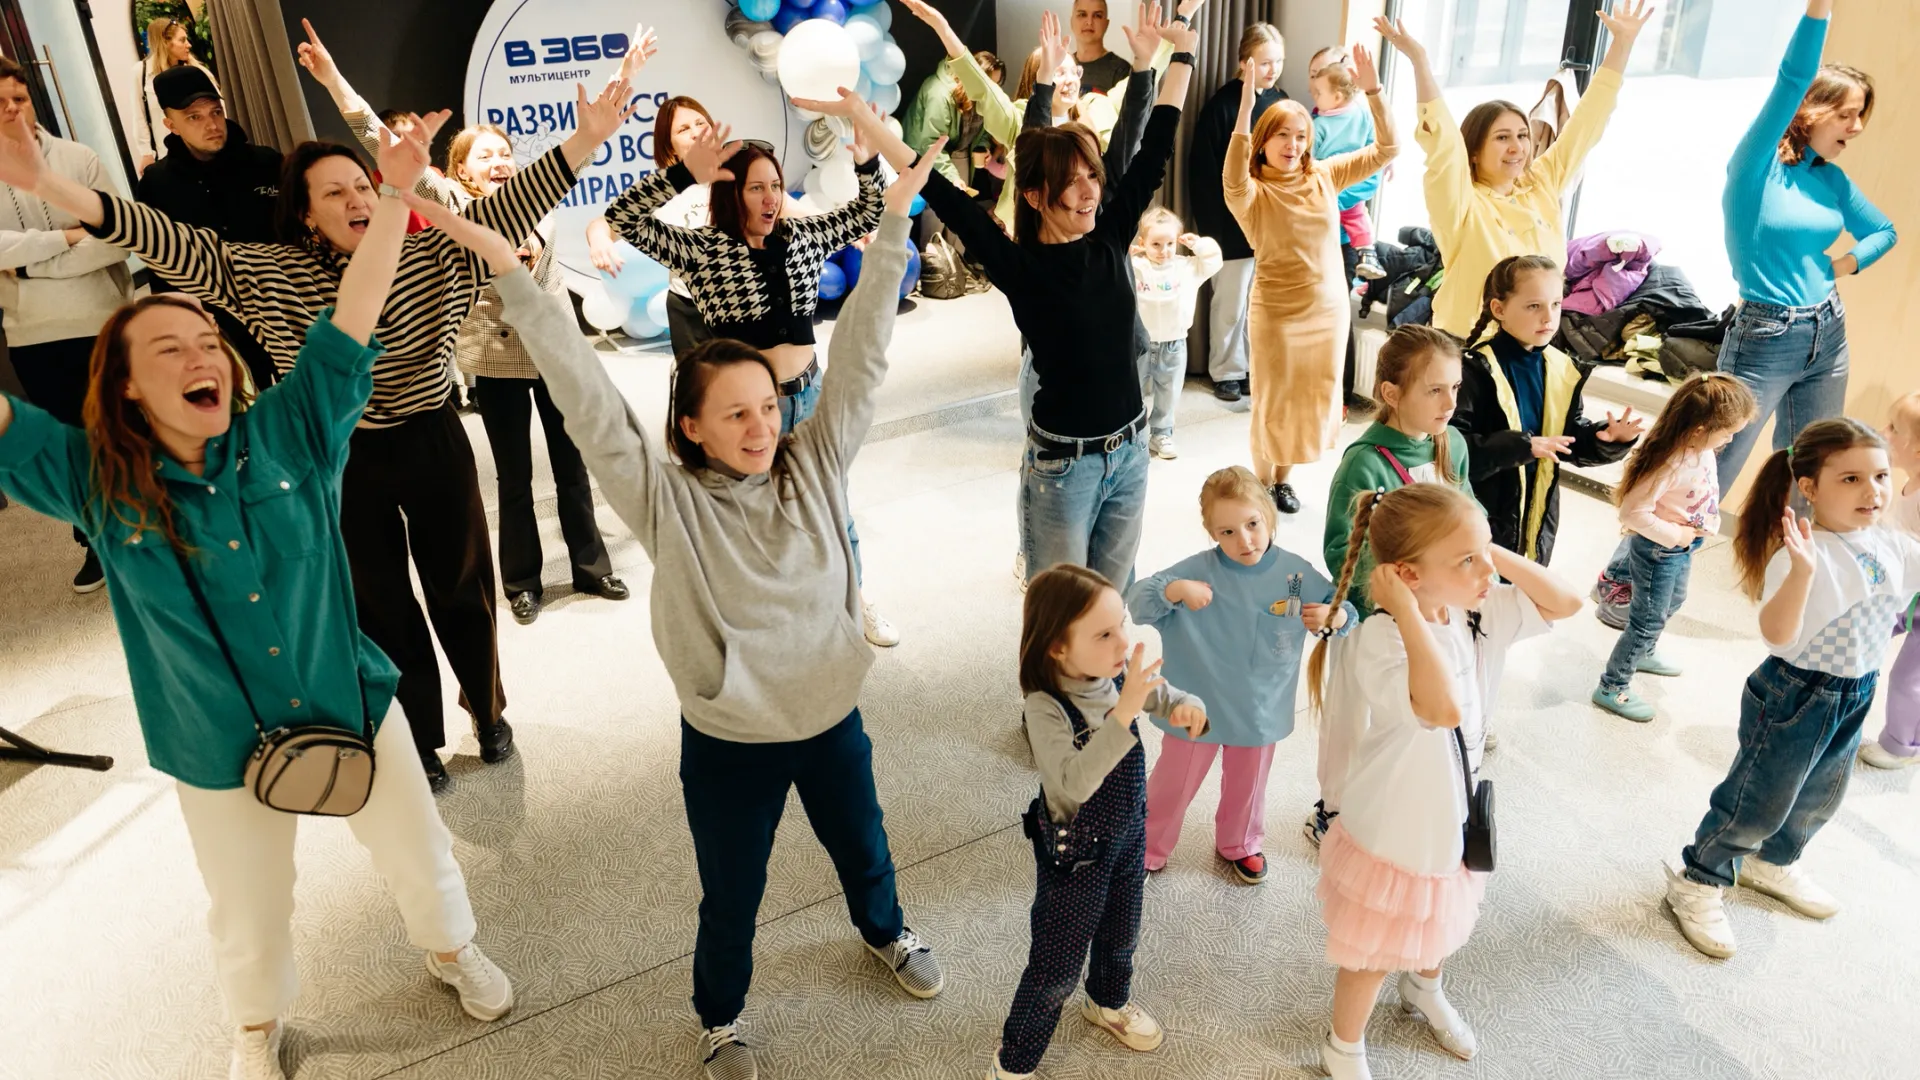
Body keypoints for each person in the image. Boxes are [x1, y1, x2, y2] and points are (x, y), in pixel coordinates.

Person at [403, 140, 949, 1080]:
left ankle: (886, 932)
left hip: (829, 714)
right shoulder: (668, 498)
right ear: (688, 426)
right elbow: (585, 402)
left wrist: (894, 220)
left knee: (864, 841)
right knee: (731, 892)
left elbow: (860, 356)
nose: (761, 426)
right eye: (734, 413)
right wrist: (519, 283)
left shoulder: (813, 463)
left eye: (768, 406)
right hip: (731, 733)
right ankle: (720, 1017)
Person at [0, 112, 515, 1080]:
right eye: (169, 350)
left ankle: (451, 948)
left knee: (419, 846)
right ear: (122, 391)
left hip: (351, 700)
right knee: (244, 901)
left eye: (206, 342)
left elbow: (352, 314)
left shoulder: (290, 432)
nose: (201, 357)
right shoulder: (89, 477)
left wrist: (397, 192)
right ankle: (255, 1021)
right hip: (209, 741)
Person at [10, 25, 642, 793]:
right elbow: (162, 237)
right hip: (335, 453)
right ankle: (421, 736)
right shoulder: (264, 271)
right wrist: (47, 184)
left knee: (463, 587)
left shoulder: (431, 250)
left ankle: (488, 705)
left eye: (364, 187)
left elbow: (508, 211)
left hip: (432, 432)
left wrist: (586, 140)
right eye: (334, 192)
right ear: (304, 215)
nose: (355, 199)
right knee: (378, 601)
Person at [830, 5, 1199, 591]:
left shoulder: (1108, 238)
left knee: (1116, 597)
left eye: (1093, 177)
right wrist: (861, 116)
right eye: (1072, 181)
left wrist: (1180, 51)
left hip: (1130, 453)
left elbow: (1155, 145)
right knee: (1060, 611)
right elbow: (937, 188)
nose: (1088, 192)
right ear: (1033, 196)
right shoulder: (1021, 267)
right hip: (1063, 467)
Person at [301, 21, 640, 626]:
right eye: (485, 155)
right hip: (496, 358)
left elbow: (580, 146)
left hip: (557, 353)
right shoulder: (452, 206)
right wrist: (332, 80)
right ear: (459, 172)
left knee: (573, 462)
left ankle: (593, 566)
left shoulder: (536, 205)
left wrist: (625, 76)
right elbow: (377, 136)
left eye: (506, 153)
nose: (501, 162)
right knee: (514, 474)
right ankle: (522, 581)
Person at [1593, 0, 1894, 623]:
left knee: (1811, 466)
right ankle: (1623, 579)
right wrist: (1819, 11)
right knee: (1705, 470)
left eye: (1863, 115)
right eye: (1847, 112)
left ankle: (1799, 579)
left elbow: (1884, 231)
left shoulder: (1830, 180)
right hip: (1765, 334)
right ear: (1808, 111)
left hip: (1827, 331)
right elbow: (1790, 78)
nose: (1858, 125)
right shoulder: (1756, 169)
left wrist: (1845, 265)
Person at [601, 94, 904, 648]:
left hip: (809, 398)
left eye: (774, 186)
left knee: (832, 505)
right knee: (755, 514)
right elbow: (622, 218)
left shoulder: (803, 236)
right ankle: (773, 615)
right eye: (755, 187)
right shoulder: (704, 251)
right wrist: (679, 175)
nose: (770, 198)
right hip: (748, 413)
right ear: (731, 193)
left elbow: (867, 212)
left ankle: (853, 599)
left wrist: (864, 165)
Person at [1309, 483, 1582, 1080]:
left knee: (1441, 913)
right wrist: (1406, 608)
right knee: (1374, 945)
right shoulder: (1380, 638)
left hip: (1452, 812)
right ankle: (1343, 1044)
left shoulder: (1473, 608)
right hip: (1397, 822)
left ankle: (1425, 988)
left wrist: (1485, 552)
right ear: (1407, 573)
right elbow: (1441, 709)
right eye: (1466, 561)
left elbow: (1566, 602)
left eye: (1483, 554)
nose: (1484, 571)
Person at [1665, 419, 1920, 960]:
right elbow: (1778, 638)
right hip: (1796, 694)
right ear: (1809, 487)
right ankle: (1700, 879)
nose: (1871, 491)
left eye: (1879, 476)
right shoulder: (1804, 555)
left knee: (1819, 797)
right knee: (1758, 800)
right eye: (1849, 479)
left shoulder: (1891, 543)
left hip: (1856, 692)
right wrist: (1802, 576)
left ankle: (1773, 863)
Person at [997, 563, 1208, 1079]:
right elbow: (1070, 784)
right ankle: (1015, 1061)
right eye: (1105, 633)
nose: (1123, 642)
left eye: (1123, 625)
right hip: (1076, 852)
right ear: (1057, 648)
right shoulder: (1046, 708)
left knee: (1121, 929)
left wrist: (1184, 704)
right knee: (1055, 965)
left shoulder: (1114, 675)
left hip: (1127, 830)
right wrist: (1124, 711)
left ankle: (1107, 1001)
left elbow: (1158, 693)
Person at [1127, 467, 1350, 882]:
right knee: (1172, 784)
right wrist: (1174, 592)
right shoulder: (1196, 570)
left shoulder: (1296, 575)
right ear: (1211, 532)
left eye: (1252, 524)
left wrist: (1335, 616)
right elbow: (1137, 602)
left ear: (1270, 516)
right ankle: (1147, 845)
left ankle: (1241, 843)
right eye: (1227, 532)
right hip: (1196, 705)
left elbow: (1342, 608)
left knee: (1248, 786)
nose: (1244, 540)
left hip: (1258, 707)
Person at [1310, 324, 1473, 847]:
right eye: (1434, 389)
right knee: (1351, 716)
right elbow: (1342, 548)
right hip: (1373, 620)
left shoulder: (1453, 446)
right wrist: (1390, 598)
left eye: (1455, 388)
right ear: (1391, 393)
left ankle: (1379, 803)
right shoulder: (1365, 462)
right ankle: (1331, 807)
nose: (1449, 402)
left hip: (1435, 620)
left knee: (1407, 724)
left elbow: (1470, 518)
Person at [1224, 35, 1402, 515]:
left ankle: (1283, 480)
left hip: (1326, 312)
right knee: (1272, 405)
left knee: (1307, 404)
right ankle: (1262, 483)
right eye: (1282, 135)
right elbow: (1233, 176)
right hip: (1278, 315)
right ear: (1264, 141)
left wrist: (1375, 91)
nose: (1293, 144)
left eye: (1301, 136)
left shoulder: (1323, 176)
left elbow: (1388, 147)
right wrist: (1245, 108)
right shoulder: (1252, 194)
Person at [1412, 1, 1653, 337]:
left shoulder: (1539, 186)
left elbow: (1586, 124)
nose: (1517, 148)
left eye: (1523, 136)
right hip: (1466, 348)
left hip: (1533, 347)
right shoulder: (1462, 204)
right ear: (1475, 152)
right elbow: (1443, 147)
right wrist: (1420, 63)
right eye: (1502, 138)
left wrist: (1621, 46)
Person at [0, 56, 133, 593]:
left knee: (129, 434)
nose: (12, 109)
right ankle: (99, 543)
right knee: (71, 447)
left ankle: (161, 534)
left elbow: (119, 236)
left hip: (104, 319)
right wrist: (69, 238)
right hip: (34, 333)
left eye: (19, 97)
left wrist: (28, 263)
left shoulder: (78, 158)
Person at [1452, 254, 1643, 565]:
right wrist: (1522, 447)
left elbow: (1566, 441)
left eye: (1556, 304)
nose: (1548, 318)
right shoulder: (1473, 369)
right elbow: (1452, 450)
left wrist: (1604, 439)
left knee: (1522, 595)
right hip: (1479, 515)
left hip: (1536, 521)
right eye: (1534, 306)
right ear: (1498, 309)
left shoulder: (1561, 367)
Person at [1589, 374, 1757, 723]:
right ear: (1699, 428)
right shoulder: (1672, 461)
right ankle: (1612, 685)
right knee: (1646, 620)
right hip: (1659, 551)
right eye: (1727, 432)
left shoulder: (1703, 450)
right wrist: (1675, 536)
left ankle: (1645, 650)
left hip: (1680, 547)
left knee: (1674, 601)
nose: (1730, 439)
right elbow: (1632, 513)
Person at [134, 64, 284, 394]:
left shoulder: (267, 164)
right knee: (242, 407)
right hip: (216, 320)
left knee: (310, 405)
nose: (211, 124)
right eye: (194, 117)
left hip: (281, 307)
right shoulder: (158, 184)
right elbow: (161, 264)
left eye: (215, 111)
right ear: (169, 124)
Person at [1186, 21, 1284, 403]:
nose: (1272, 70)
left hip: (1270, 226)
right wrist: (1214, 230)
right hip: (1229, 228)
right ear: (1245, 63)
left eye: (1277, 61)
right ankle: (1225, 371)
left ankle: (1249, 369)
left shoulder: (1280, 102)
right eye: (1264, 62)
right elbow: (1202, 172)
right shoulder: (1222, 106)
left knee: (1258, 306)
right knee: (1229, 305)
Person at [1129, 206, 1220, 460]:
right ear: (1143, 243)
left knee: (1168, 394)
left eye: (1170, 243)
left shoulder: (1187, 267)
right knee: (1131, 390)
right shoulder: (1137, 267)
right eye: (1156, 244)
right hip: (1139, 343)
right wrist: (1126, 255)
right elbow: (1109, 265)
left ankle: (1161, 433)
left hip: (1174, 343)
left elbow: (1214, 260)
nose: (1164, 250)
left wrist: (1198, 244)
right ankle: (1132, 435)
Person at [1859, 391, 1920, 769]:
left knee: (1907, 678)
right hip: (1905, 591)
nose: (1883, 432)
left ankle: (1902, 746)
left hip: (1912, 595)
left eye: (1895, 429)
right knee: (1865, 637)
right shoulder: (1910, 483)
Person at [1307, 53, 1385, 281]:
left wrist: (1334, 199)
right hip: (1317, 230)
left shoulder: (1362, 117)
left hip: (1342, 238)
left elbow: (1373, 175)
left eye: (1320, 86)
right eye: (1312, 76)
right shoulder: (1314, 122)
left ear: (1338, 94)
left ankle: (1367, 253)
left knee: (1338, 303)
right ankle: (1368, 251)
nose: (1313, 89)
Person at [902, 48, 1006, 196]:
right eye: (989, 84)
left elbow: (982, 130)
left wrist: (983, 147)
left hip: (958, 154)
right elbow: (931, 143)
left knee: (958, 206)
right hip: (925, 157)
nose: (992, 91)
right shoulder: (939, 93)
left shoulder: (982, 98)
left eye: (996, 85)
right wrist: (952, 177)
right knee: (936, 212)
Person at [132, 15, 219, 175]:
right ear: (165, 43)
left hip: (202, 152)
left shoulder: (197, 72)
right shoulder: (142, 72)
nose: (188, 45)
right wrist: (146, 153)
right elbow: (139, 115)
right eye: (182, 40)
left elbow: (219, 109)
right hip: (166, 155)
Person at [1069, 0, 1135, 95]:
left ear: (1106, 24)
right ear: (1072, 21)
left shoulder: (1121, 70)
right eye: (1082, 14)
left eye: (1097, 16)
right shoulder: (1063, 67)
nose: (1089, 22)